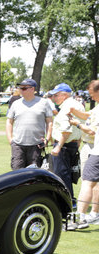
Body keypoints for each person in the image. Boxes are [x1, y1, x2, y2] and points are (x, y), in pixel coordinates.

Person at [67, 80, 99, 226]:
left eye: (92, 94)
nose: (91, 98)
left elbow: (92, 130)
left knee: (87, 181)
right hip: (93, 148)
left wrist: (76, 124)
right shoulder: (97, 108)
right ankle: (94, 214)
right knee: (95, 183)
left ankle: (79, 218)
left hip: (97, 150)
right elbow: (88, 115)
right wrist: (73, 111)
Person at [48, 82, 85, 206]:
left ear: (64, 95)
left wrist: (58, 146)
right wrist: (78, 141)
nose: (54, 98)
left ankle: (66, 202)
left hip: (63, 145)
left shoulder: (66, 107)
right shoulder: (78, 105)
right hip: (73, 144)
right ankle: (70, 200)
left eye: (56, 95)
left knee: (61, 175)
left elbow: (66, 130)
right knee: (69, 174)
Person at [6, 78, 53, 170]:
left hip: (36, 145)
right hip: (18, 145)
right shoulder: (15, 104)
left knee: (34, 175)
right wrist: (11, 140)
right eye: (20, 88)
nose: (21, 90)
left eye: (24, 88)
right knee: (16, 174)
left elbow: (50, 122)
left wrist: (47, 139)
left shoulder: (44, 103)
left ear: (32, 89)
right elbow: (9, 122)